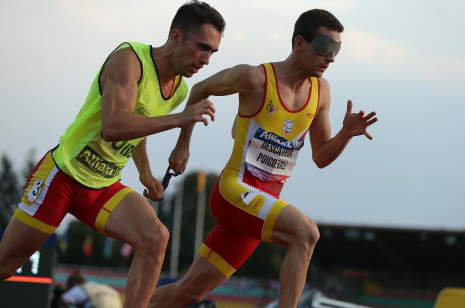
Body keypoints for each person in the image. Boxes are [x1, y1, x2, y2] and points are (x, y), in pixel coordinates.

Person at [148, 9, 377, 308]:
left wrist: (345, 134)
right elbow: (200, 88)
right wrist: (183, 144)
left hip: (258, 207)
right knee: (306, 234)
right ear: (300, 43)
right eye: (324, 48)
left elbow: (321, 157)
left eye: (337, 51)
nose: (331, 58)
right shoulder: (254, 78)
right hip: (234, 192)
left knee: (189, 292)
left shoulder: (321, 92)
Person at [0, 1, 225, 307]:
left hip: (103, 186)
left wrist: (144, 171)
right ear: (175, 38)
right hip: (62, 177)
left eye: (213, 52)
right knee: (5, 266)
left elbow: (139, 122)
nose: (206, 59)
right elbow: (115, 126)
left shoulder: (180, 90)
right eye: (202, 47)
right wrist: (178, 120)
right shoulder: (129, 60)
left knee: (155, 239)